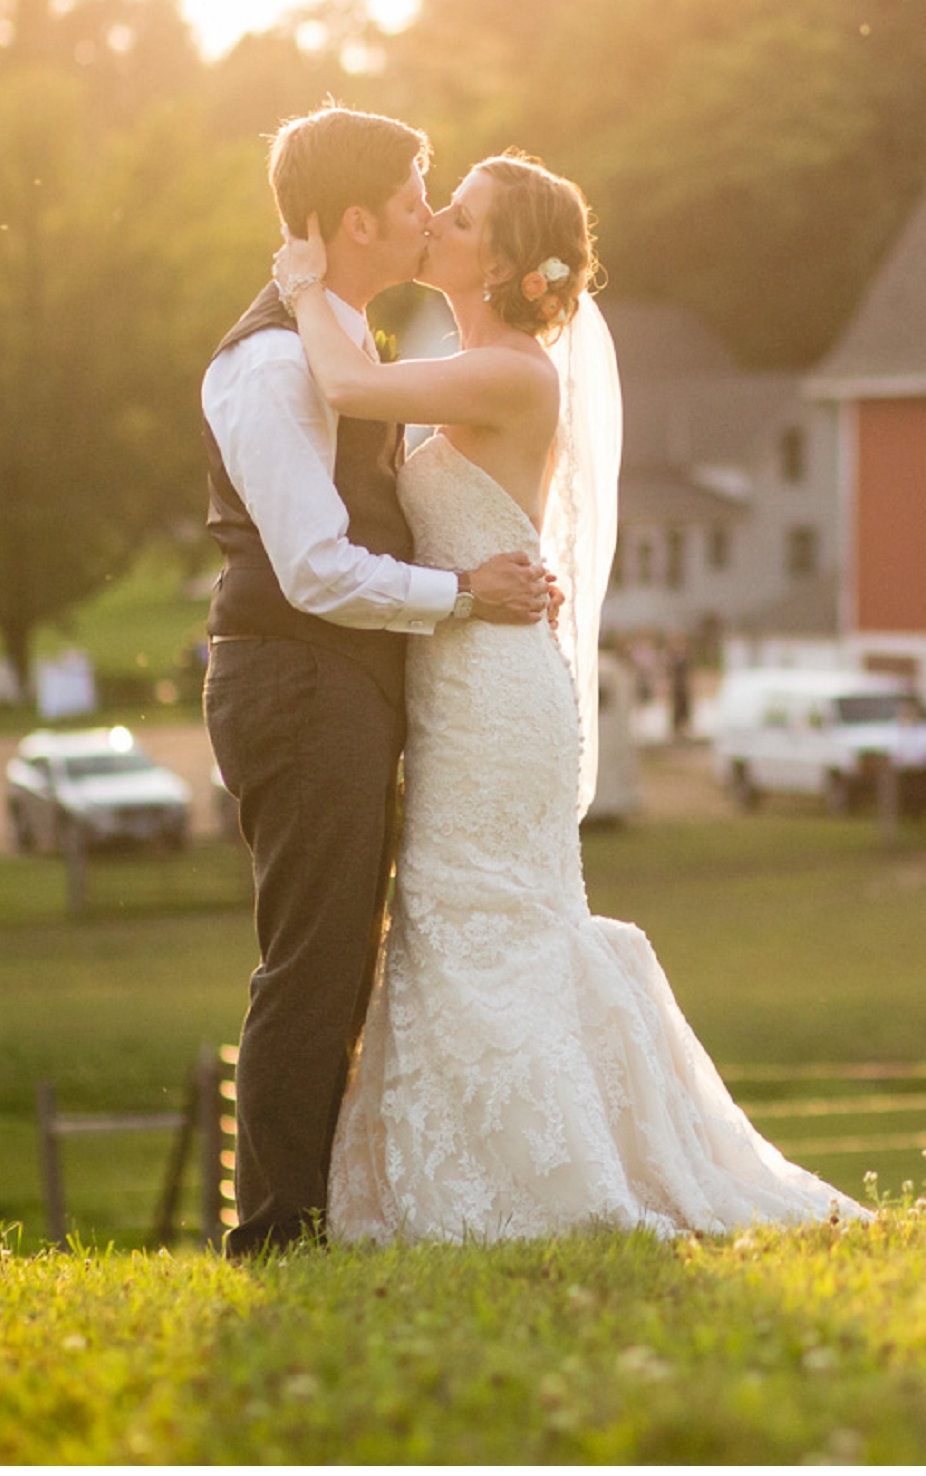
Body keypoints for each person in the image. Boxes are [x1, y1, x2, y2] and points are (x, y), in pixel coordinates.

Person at [272, 148, 862, 1242]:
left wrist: (301, 282)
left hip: (495, 693)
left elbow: (346, 388)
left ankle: (552, 1176)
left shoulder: (518, 376)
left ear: (503, 261)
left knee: (479, 916)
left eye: (461, 213)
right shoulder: (465, 359)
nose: (436, 218)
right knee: (460, 917)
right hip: (461, 664)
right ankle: (481, 1167)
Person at [199, 107, 561, 1259]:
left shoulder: (352, 351)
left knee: (352, 953)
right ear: (357, 219)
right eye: (416, 196)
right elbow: (310, 568)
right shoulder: (270, 366)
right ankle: (274, 1233)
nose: (426, 213)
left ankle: (334, 1214)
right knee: (314, 959)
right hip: (299, 680)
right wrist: (457, 596)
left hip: (366, 685)